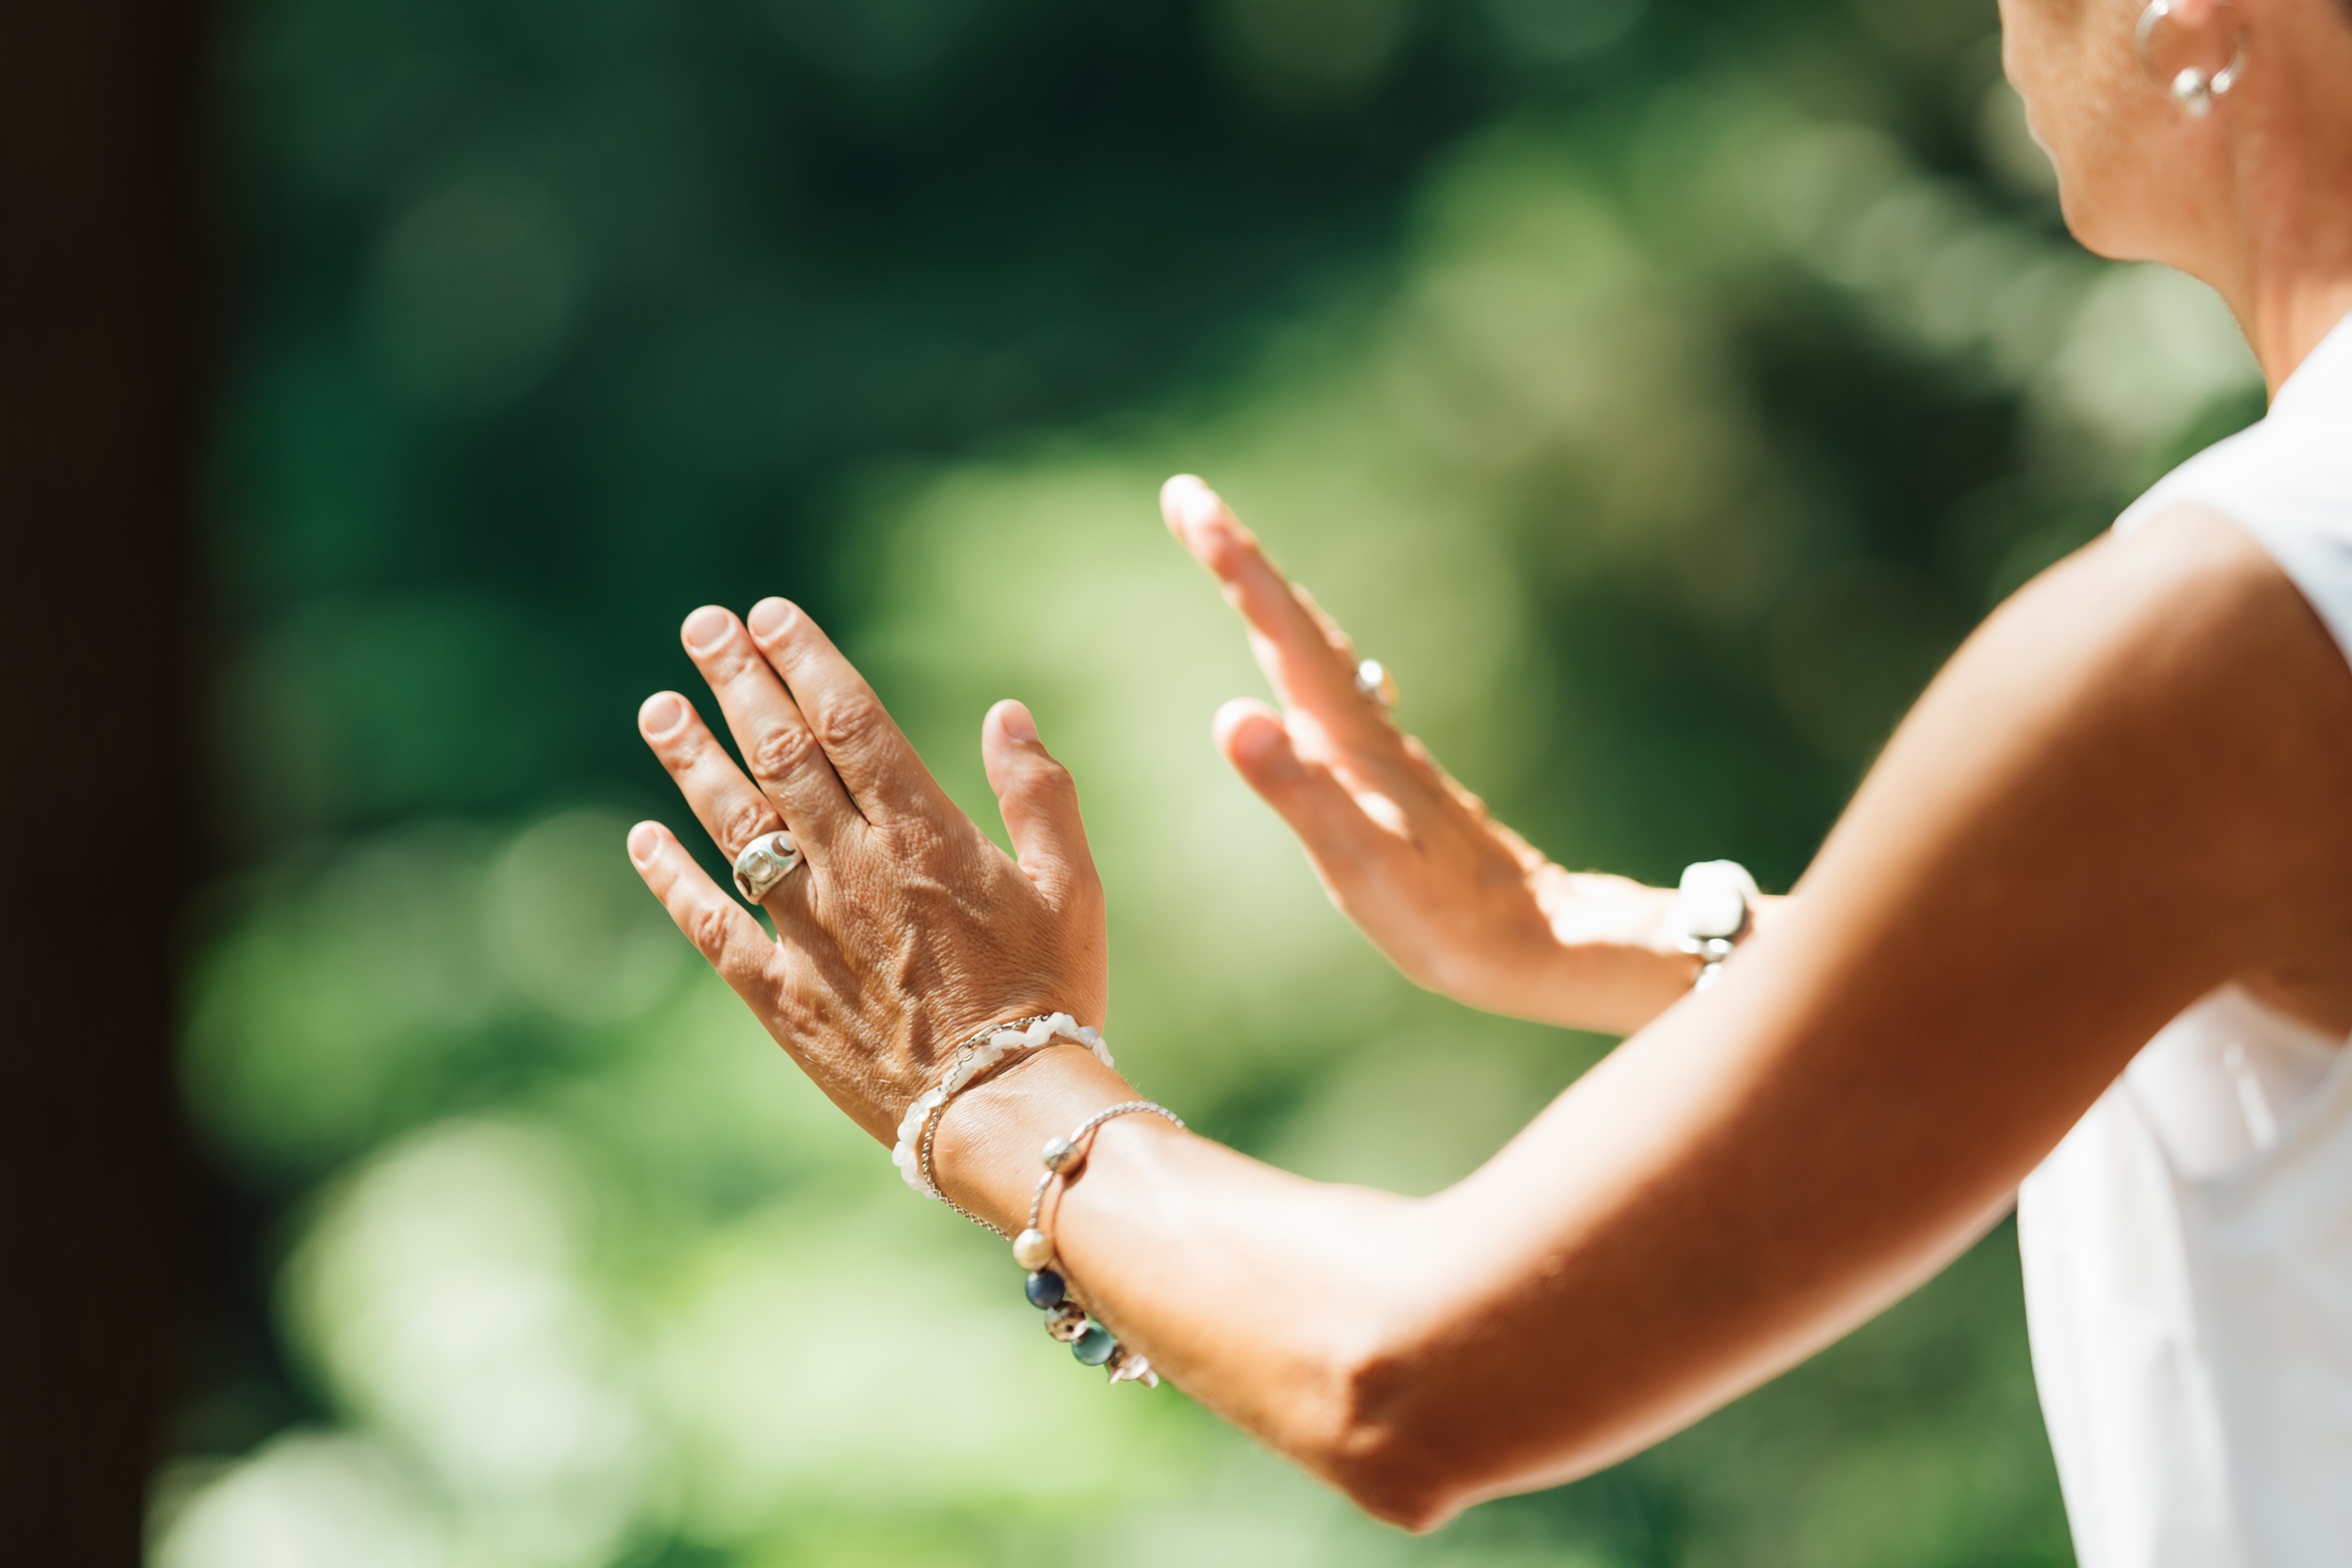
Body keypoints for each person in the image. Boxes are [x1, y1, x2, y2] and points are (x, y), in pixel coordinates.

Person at [622, 0, 2352, 1558]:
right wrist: (1593, 933)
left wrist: (991, 1081)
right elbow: (2193, 956)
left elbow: (1405, 1379)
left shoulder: (2222, 628)